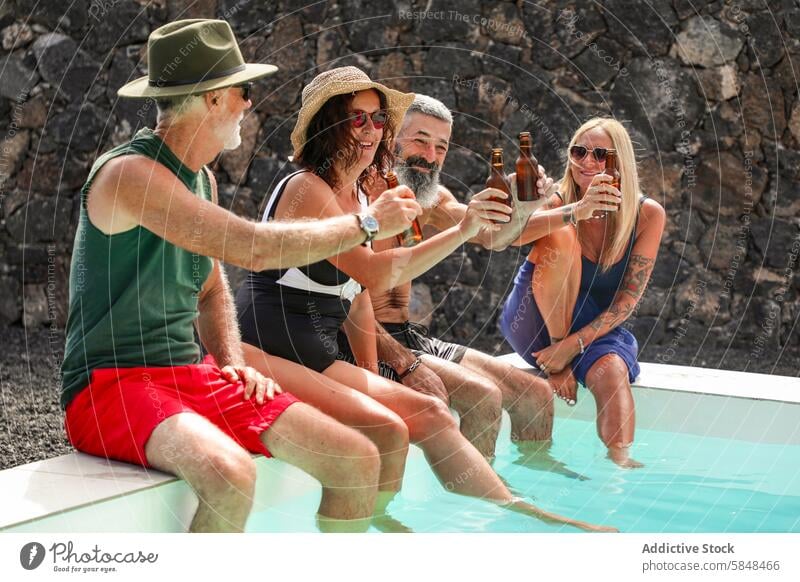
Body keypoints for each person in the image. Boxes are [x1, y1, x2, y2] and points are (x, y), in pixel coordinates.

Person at [60, 19, 423, 533]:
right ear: (212, 99)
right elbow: (250, 248)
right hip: (108, 385)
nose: (249, 104)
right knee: (230, 474)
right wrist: (366, 222)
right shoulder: (128, 175)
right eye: (243, 91)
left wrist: (232, 362)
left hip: (191, 373)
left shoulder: (200, 179)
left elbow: (210, 290)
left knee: (356, 457)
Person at [236, 66, 615, 532]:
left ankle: (511, 509)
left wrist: (548, 209)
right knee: (409, 423)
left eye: (378, 120)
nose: (372, 131)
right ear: (329, 125)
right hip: (276, 345)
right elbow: (375, 274)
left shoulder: (366, 195)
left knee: (477, 404)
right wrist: (461, 231)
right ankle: (403, 526)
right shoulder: (310, 189)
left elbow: (360, 295)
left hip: (334, 347)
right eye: (358, 120)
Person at [350, 94, 556, 460]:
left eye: (441, 147)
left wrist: (524, 210)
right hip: (367, 340)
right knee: (482, 398)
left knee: (535, 397)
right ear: (391, 137)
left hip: (408, 334)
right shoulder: (361, 196)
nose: (430, 156)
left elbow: (493, 237)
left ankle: (531, 492)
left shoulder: (431, 198)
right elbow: (350, 300)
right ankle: (476, 505)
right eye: (420, 140)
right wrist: (405, 363)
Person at [499, 117, 666, 468]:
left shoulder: (646, 214)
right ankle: (558, 356)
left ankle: (620, 470)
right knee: (560, 234)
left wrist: (572, 346)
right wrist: (557, 361)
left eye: (600, 154)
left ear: (619, 162)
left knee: (613, 371)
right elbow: (510, 237)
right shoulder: (558, 200)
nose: (588, 162)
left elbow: (627, 301)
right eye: (579, 151)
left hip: (590, 328)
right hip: (535, 319)